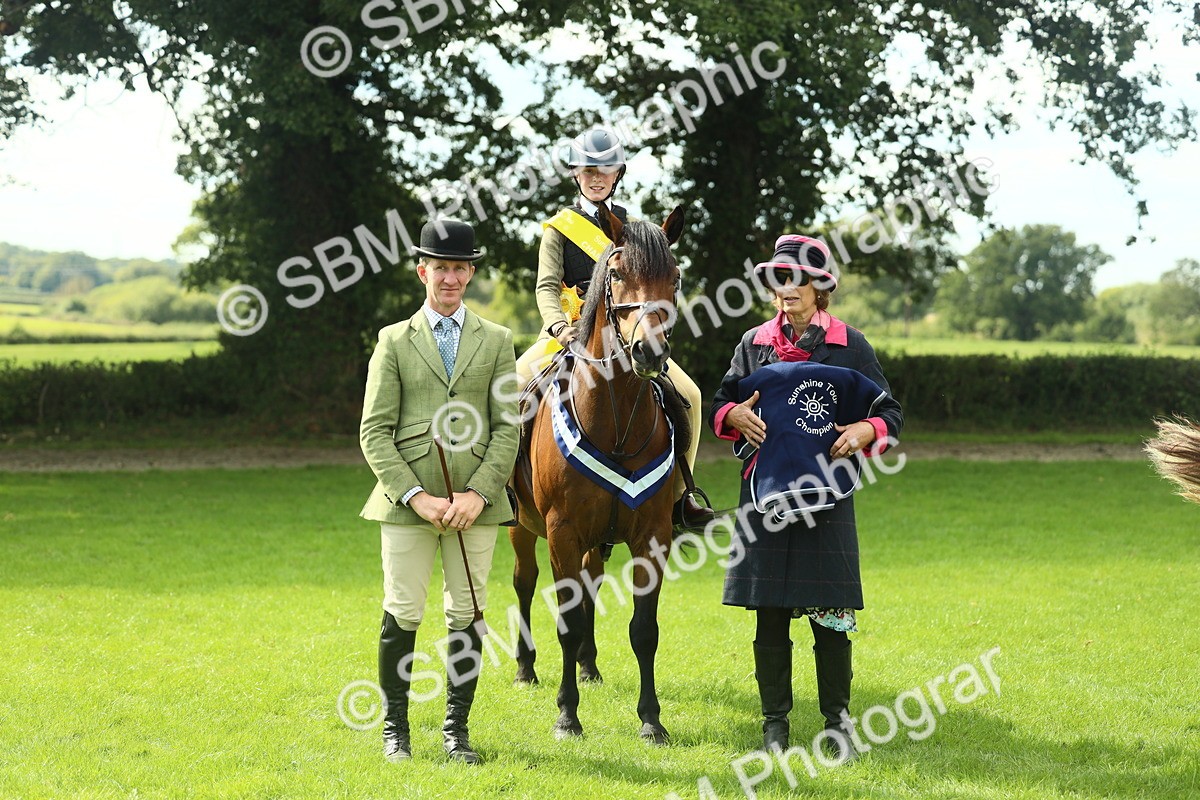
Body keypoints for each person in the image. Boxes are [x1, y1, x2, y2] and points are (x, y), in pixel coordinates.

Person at [707, 234, 903, 761]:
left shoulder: (850, 345)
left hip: (828, 498)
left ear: (820, 287)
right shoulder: (753, 343)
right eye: (778, 279)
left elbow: (890, 412)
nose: (786, 288)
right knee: (769, 616)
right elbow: (721, 402)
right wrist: (733, 415)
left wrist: (865, 430)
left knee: (831, 618)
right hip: (764, 497)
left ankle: (838, 726)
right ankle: (775, 725)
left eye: (796, 279)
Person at [359, 218, 519, 765]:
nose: (449, 278)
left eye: (459, 268)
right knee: (403, 610)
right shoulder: (393, 340)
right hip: (409, 505)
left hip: (475, 506)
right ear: (422, 272)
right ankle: (395, 731)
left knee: (468, 613)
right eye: (440, 268)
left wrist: (479, 493)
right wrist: (415, 496)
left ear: (469, 274)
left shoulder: (497, 340)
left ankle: (457, 732)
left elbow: (508, 427)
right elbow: (374, 431)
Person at [515, 126, 712, 524]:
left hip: (627, 335)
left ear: (618, 173)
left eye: (605, 170)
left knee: (690, 394)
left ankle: (681, 498)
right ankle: (504, 490)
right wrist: (559, 328)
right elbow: (546, 287)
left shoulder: (637, 230)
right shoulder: (558, 229)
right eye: (588, 170)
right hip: (568, 334)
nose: (597, 177)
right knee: (513, 387)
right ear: (576, 173)